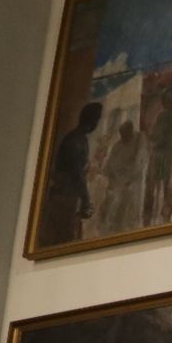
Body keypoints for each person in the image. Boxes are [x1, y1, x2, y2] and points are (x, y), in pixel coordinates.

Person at [42, 101, 103, 244]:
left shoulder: (80, 139)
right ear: (92, 120)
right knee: (60, 235)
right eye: (97, 120)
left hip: (70, 194)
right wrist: (86, 199)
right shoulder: (74, 141)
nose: (97, 124)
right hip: (63, 195)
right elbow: (76, 174)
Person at [96, 118, 144, 237]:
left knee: (127, 200)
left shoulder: (139, 140)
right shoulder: (117, 145)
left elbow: (140, 163)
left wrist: (129, 179)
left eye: (125, 134)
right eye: (121, 134)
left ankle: (126, 228)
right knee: (111, 198)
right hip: (117, 180)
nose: (123, 137)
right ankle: (110, 227)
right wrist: (107, 175)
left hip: (131, 180)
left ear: (130, 131)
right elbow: (110, 163)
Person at [144, 85, 172, 225]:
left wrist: (150, 136)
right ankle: (166, 214)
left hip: (160, 155)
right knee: (166, 186)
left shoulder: (164, 116)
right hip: (168, 154)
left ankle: (149, 216)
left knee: (153, 186)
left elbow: (157, 137)